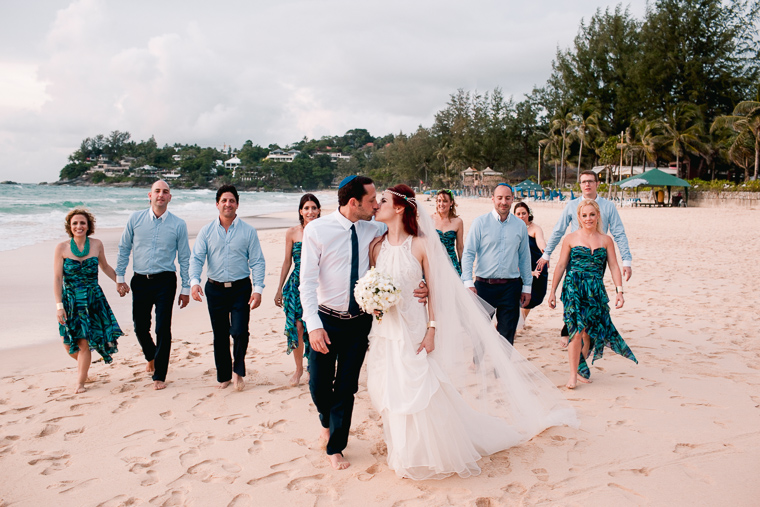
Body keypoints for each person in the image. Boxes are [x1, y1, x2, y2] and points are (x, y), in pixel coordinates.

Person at [366, 185, 578, 480]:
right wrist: (372, 302)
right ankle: (402, 450)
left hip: (415, 328)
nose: (377, 205)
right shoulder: (375, 246)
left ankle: (429, 451)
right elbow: (374, 283)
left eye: (383, 201)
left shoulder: (421, 244)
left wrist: (431, 330)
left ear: (400, 208)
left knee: (421, 387)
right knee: (392, 387)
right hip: (386, 330)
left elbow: (436, 290)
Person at [300, 175, 428, 471]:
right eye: (371, 201)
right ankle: (325, 420)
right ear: (354, 202)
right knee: (318, 384)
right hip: (325, 320)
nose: (376, 205)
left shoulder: (374, 228)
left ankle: (336, 447)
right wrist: (313, 325)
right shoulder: (317, 230)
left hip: (359, 323)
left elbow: (408, 238)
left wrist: (425, 283)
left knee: (346, 388)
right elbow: (306, 282)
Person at [548, 199, 638, 389]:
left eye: (592, 215)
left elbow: (614, 266)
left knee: (590, 332)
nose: (588, 218)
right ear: (579, 218)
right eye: (584, 215)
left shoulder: (606, 240)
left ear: (598, 216)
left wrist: (619, 291)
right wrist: (552, 292)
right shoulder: (570, 238)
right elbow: (561, 265)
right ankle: (572, 375)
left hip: (595, 289)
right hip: (574, 287)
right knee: (576, 331)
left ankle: (581, 368)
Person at [116, 180, 191, 390]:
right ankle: (151, 355)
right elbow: (123, 249)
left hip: (166, 280)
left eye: (165, 192)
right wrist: (119, 277)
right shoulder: (135, 219)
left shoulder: (178, 224)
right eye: (157, 191)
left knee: (162, 328)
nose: (161, 195)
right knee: (140, 327)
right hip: (140, 280)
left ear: (170, 197)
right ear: (149, 195)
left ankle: (160, 375)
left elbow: (185, 258)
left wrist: (186, 289)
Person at [190, 185, 266, 391]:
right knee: (220, 334)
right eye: (224, 200)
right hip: (214, 289)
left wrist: (258, 289)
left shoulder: (248, 231)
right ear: (217, 204)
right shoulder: (206, 231)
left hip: (241, 288)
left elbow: (257, 261)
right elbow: (196, 258)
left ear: (237, 204)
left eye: (231, 200)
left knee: (240, 331)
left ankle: (238, 371)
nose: (228, 204)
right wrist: (194, 282)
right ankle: (224, 375)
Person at [54, 209, 122, 394]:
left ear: (88, 225)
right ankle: (84, 368)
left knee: (84, 343)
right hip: (70, 301)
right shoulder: (61, 248)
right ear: (70, 226)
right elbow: (58, 278)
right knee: (68, 344)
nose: (79, 226)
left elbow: (105, 267)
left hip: (92, 299)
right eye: (75, 223)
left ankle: (80, 383)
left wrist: (119, 281)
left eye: (82, 223)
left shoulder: (97, 244)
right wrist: (59, 306)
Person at [461, 183, 532, 345]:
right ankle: (477, 364)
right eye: (500, 198)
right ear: (493, 199)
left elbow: (524, 257)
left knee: (507, 334)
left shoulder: (520, 225)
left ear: (513, 199)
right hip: (484, 287)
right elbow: (469, 253)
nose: (504, 202)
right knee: (479, 332)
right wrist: (468, 283)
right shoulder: (480, 223)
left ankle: (501, 371)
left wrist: (527, 286)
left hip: (511, 287)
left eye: (507, 198)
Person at [274, 193, 321, 386]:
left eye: (313, 208)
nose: (310, 211)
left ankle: (313, 368)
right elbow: (287, 262)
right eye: (306, 208)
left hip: (318, 284)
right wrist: (279, 289)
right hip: (295, 285)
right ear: (300, 211)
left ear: (319, 211)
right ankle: (299, 369)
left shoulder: (323, 230)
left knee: (314, 327)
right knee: (297, 328)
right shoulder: (292, 232)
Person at [513, 202, 548, 328]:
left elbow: (541, 242)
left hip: (536, 265)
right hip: (518, 265)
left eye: (524, 213)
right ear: (514, 215)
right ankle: (516, 324)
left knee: (532, 297)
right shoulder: (512, 229)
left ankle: (521, 321)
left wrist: (545, 254)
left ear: (529, 214)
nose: (521, 216)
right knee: (517, 296)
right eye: (518, 214)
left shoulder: (535, 228)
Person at [433, 189, 464, 275]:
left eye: (445, 201)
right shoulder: (430, 219)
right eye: (439, 201)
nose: (441, 204)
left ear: (451, 203)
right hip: (434, 264)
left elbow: (460, 247)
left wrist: (463, 268)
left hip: (451, 264)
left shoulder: (458, 222)